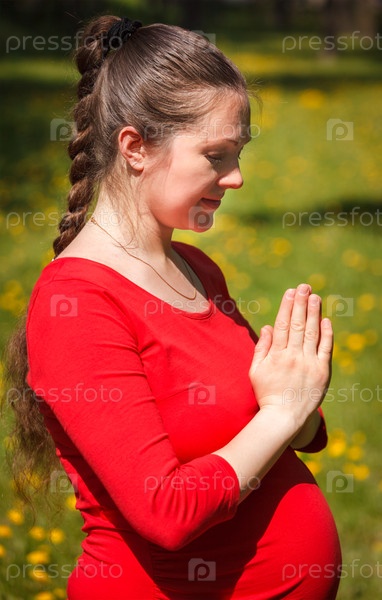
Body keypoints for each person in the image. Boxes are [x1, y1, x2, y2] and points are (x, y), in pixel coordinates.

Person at [4, 15, 341, 600]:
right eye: (216, 155)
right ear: (135, 148)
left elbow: (284, 426)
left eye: (238, 154)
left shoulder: (196, 268)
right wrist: (283, 414)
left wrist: (299, 398)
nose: (236, 178)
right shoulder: (75, 303)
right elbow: (167, 509)